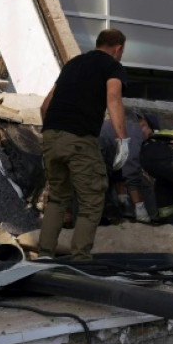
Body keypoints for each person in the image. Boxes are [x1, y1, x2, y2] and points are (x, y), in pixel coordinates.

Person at [38, 29, 129, 261]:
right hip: (79, 139)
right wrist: (122, 139)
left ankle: (44, 255)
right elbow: (113, 98)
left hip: (50, 135)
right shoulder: (112, 66)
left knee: (58, 198)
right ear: (118, 49)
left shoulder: (72, 64)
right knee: (91, 200)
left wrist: (52, 133)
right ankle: (81, 260)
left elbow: (45, 106)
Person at [98, 112, 156, 223]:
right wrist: (139, 207)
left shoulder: (125, 126)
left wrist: (122, 198)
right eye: (149, 135)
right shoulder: (135, 131)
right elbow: (131, 170)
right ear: (143, 125)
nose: (147, 140)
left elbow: (118, 168)